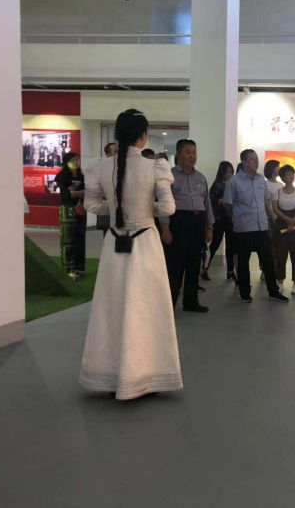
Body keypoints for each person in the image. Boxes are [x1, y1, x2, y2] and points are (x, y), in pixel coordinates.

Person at [80, 108, 182, 400]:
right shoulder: (155, 166)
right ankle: (144, 375)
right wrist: (146, 210)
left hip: (114, 243)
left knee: (111, 309)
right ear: (143, 135)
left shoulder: (101, 166)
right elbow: (169, 207)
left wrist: (117, 211)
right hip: (145, 243)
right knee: (147, 309)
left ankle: (110, 375)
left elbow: (91, 205)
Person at [223, 149, 289, 304]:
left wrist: (272, 219)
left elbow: (266, 201)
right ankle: (244, 292)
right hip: (244, 228)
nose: (256, 161)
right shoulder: (234, 182)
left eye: (256, 158)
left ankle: (273, 291)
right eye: (252, 159)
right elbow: (227, 204)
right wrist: (236, 216)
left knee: (268, 260)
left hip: (262, 227)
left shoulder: (260, 180)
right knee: (243, 262)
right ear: (244, 161)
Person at [159, 139, 214, 313]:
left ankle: (191, 302)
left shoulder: (201, 177)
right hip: (178, 222)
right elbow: (163, 204)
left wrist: (210, 226)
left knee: (194, 264)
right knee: (175, 266)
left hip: (198, 222)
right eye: (187, 152)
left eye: (194, 152)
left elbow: (207, 203)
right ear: (178, 155)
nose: (191, 156)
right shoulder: (170, 176)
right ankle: (169, 305)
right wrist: (165, 228)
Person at [272, 164, 295, 295]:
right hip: (281, 224)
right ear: (282, 177)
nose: (291, 175)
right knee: (280, 255)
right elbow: (275, 208)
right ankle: (280, 281)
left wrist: (293, 220)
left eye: (293, 173)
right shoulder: (277, 192)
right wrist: (287, 219)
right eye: (288, 174)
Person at [201, 161, 236, 282]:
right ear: (222, 172)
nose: (229, 174)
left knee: (231, 246)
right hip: (219, 219)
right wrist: (220, 201)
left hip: (230, 219)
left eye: (231, 172)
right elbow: (210, 202)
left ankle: (230, 271)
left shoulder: (233, 184)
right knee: (214, 245)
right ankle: (204, 268)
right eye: (227, 172)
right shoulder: (217, 185)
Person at [55, 151, 86, 280]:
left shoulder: (81, 176)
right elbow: (71, 194)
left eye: (78, 159)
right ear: (67, 162)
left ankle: (79, 268)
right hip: (68, 210)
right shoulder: (62, 176)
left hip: (81, 209)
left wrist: (79, 192)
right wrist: (82, 192)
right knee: (68, 240)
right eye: (73, 160)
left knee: (80, 239)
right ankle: (69, 269)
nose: (76, 162)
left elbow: (81, 192)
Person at [93, 142, 117, 237]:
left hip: (120, 205)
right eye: (115, 152)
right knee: (107, 231)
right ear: (108, 154)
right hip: (106, 203)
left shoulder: (122, 167)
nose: (118, 154)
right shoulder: (100, 168)